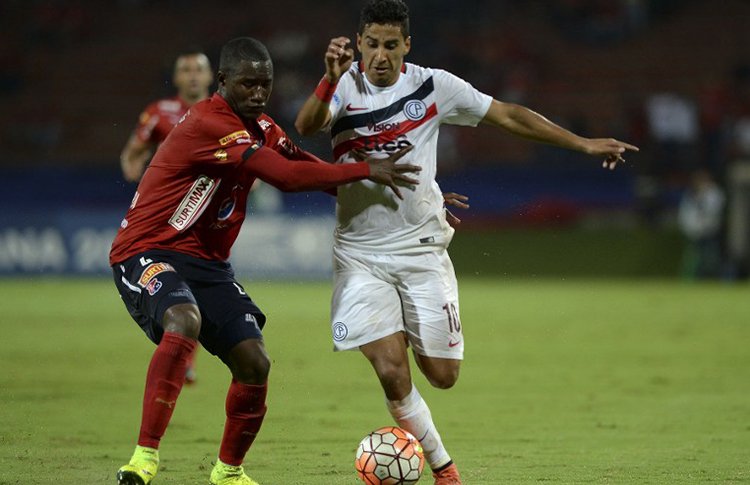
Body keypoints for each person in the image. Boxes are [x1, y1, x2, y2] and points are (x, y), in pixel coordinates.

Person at [294, 1, 639, 484]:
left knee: (442, 374)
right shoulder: (344, 84)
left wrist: (582, 143)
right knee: (392, 370)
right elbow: (307, 126)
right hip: (360, 254)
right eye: (371, 44)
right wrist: (328, 78)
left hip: (421, 248)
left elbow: (508, 116)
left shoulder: (435, 86)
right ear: (359, 43)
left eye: (390, 45)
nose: (379, 56)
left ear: (406, 45)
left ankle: (417, 338)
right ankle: (444, 470)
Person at [110, 36, 420, 485]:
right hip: (147, 248)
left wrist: (407, 200)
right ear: (222, 83)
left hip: (207, 265)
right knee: (183, 319)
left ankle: (228, 473)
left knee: (255, 361)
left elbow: (304, 164)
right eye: (248, 84)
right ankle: (143, 460)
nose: (258, 93)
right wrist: (367, 169)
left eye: (265, 85)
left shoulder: (263, 129)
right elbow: (288, 178)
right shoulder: (210, 121)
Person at [120, 50, 214, 384]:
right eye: (185, 70)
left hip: (203, 217)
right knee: (169, 281)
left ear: (209, 76)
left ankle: (183, 356)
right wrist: (138, 180)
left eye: (198, 70)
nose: (192, 75)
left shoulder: (223, 113)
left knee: (199, 286)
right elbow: (132, 154)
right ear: (176, 79)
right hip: (162, 216)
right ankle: (174, 342)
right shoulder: (159, 113)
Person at [678, 169, 726, 279]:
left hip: (710, 233)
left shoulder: (714, 194)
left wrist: (703, 196)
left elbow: (713, 211)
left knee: (711, 259)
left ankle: (714, 280)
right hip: (695, 234)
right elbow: (686, 213)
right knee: (693, 260)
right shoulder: (691, 194)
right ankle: (693, 280)